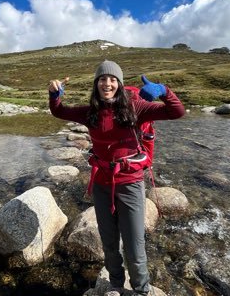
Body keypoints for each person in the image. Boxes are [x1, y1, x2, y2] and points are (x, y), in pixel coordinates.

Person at [48, 60, 185, 296]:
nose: (107, 83)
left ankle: (141, 290)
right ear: (96, 84)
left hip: (130, 184)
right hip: (102, 184)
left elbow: (177, 111)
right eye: (102, 79)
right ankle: (115, 285)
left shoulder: (137, 108)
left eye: (113, 79)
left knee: (134, 246)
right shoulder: (90, 112)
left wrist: (164, 90)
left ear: (119, 84)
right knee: (109, 243)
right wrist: (54, 95)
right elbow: (59, 111)